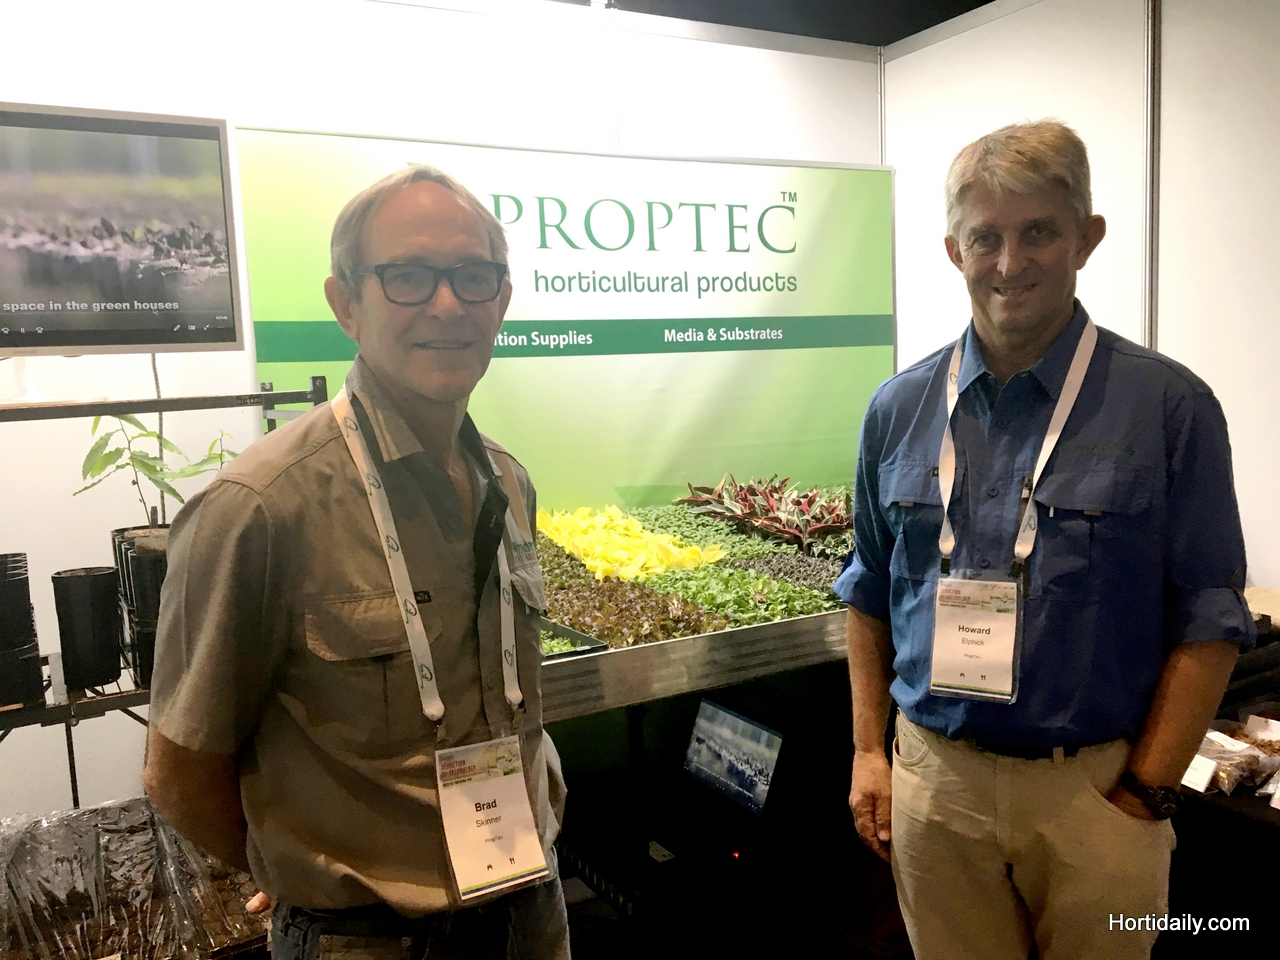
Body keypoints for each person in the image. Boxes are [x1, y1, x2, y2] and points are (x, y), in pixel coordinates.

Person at [837, 120, 1254, 960]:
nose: (1009, 263)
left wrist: (1143, 794)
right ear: (953, 251)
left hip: (1096, 796)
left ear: (1086, 239)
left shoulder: (1169, 408)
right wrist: (868, 752)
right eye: (984, 238)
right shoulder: (897, 409)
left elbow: (1210, 619)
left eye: (1039, 233)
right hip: (936, 788)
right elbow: (869, 588)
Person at [144, 165, 570, 960]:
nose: (448, 305)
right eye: (408, 276)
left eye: (473, 277)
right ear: (346, 304)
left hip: (531, 913)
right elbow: (179, 774)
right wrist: (296, 870)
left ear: (502, 300)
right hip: (366, 942)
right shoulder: (260, 507)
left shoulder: (509, 482)